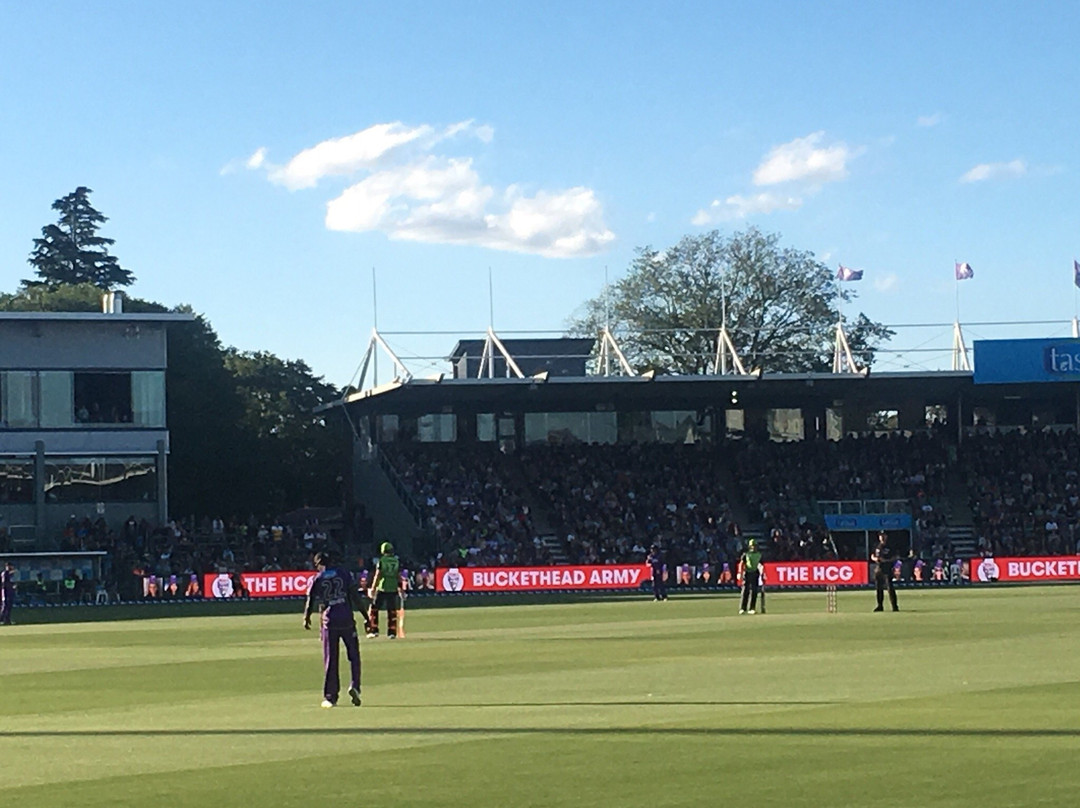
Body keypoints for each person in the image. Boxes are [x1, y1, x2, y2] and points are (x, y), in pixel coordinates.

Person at [303, 550, 364, 708]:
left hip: (329, 621)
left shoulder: (318, 578)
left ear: (318, 564)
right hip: (346, 619)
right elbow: (355, 596)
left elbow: (311, 599)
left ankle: (331, 696)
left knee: (331, 659)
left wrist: (307, 617)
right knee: (354, 656)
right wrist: (366, 615)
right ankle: (355, 685)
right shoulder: (343, 573)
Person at [367, 542, 403, 638]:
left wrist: (373, 588)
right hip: (393, 587)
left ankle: (374, 630)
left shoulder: (382, 561)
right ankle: (392, 632)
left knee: (374, 609)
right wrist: (401, 589)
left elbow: (378, 575)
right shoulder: (396, 561)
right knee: (391, 610)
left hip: (382, 587)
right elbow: (398, 576)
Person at [871, 532, 899, 612]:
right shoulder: (877, 546)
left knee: (890, 588)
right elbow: (872, 555)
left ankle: (894, 606)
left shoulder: (890, 546)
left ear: (886, 536)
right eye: (880, 536)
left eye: (883, 536)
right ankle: (880, 605)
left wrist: (886, 560)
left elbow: (895, 557)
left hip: (887, 569)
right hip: (879, 568)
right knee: (878, 588)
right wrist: (875, 558)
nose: (882, 537)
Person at [738, 539, 762, 615]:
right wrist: (740, 573)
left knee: (754, 591)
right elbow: (741, 564)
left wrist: (763, 574)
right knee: (745, 591)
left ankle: (752, 608)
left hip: (755, 573)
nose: (754, 548)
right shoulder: (746, 554)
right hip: (747, 573)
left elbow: (761, 564)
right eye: (752, 546)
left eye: (755, 546)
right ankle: (743, 608)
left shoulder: (759, 554)